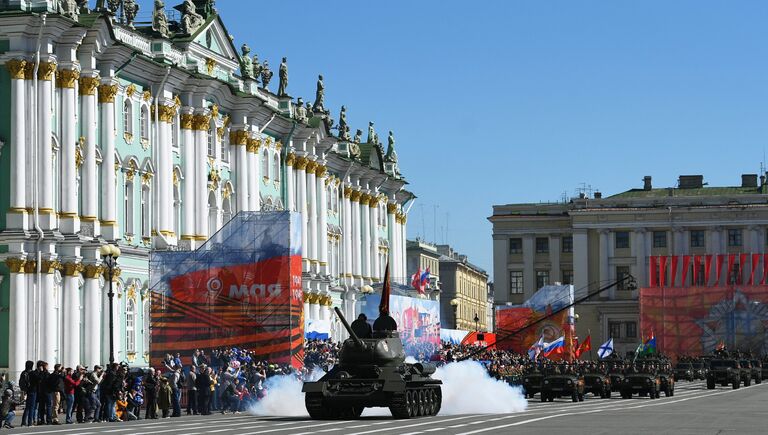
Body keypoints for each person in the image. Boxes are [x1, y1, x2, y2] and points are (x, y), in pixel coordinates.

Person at [19, 360, 38, 427]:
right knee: (32, 407)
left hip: (27, 391)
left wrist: (24, 390)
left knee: (27, 407)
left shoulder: (23, 373)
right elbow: (38, 380)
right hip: (33, 390)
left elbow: (20, 382)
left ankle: (23, 422)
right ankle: (30, 422)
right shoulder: (32, 373)